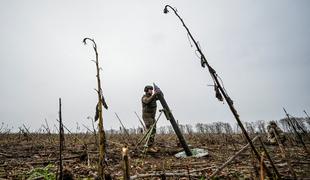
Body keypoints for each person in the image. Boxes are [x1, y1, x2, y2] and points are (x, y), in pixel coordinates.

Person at [141, 85, 159, 152]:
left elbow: (160, 97)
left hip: (152, 117)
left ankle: (151, 146)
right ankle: (148, 147)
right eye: (150, 89)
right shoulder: (144, 97)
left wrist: (159, 93)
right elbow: (147, 101)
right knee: (150, 131)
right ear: (146, 90)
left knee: (153, 131)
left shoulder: (153, 97)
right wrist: (154, 95)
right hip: (147, 117)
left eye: (152, 89)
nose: (151, 91)